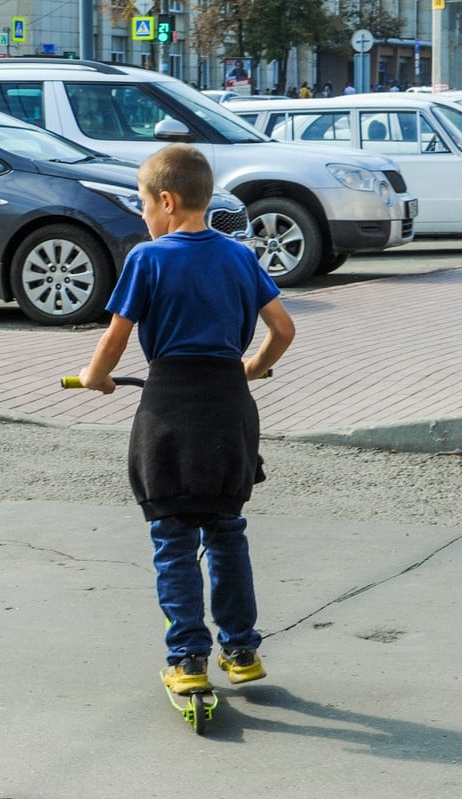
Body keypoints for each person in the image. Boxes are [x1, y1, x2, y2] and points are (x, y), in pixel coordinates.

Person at [76, 143, 296, 695]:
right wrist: (251, 368)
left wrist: (92, 377)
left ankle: (188, 659)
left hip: (169, 408)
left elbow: (115, 339)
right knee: (226, 531)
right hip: (230, 407)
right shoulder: (241, 257)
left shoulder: (148, 260)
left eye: (145, 206)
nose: (145, 217)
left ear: (167, 202)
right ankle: (241, 649)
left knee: (173, 536)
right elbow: (284, 330)